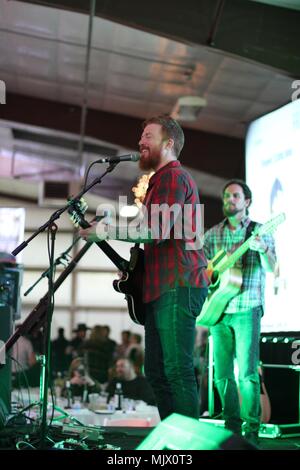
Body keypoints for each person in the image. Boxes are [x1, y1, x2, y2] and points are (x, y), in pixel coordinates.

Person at [80, 114, 209, 420]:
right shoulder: (156, 183)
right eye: (141, 137)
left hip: (178, 283)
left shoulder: (173, 177)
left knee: (176, 371)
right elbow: (145, 232)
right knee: (156, 372)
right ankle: (170, 438)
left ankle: (185, 447)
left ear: (169, 143)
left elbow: (157, 230)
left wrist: (107, 231)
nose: (140, 142)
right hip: (160, 286)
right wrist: (114, 229)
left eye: (148, 136)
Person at [203, 179, 276, 444]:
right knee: (222, 374)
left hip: (247, 307)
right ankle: (231, 426)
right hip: (218, 309)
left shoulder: (259, 231)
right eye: (226, 196)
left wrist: (264, 249)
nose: (229, 200)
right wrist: (211, 275)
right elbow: (203, 272)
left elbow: (272, 267)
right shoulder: (212, 235)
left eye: (234, 196)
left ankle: (252, 430)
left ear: (247, 202)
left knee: (246, 373)